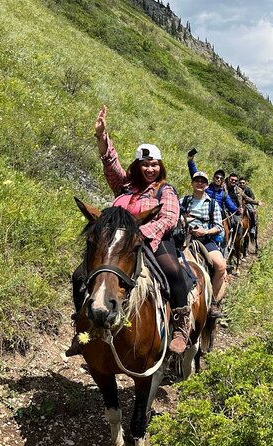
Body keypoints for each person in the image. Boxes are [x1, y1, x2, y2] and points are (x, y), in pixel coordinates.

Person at [67, 105, 193, 356]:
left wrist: (139, 233)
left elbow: (168, 218)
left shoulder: (164, 191)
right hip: (119, 243)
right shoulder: (125, 186)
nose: (149, 169)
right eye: (145, 164)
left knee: (173, 272)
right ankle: (82, 326)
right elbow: (110, 164)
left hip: (152, 241)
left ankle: (181, 326)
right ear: (137, 166)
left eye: (154, 165)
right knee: (80, 275)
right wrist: (102, 137)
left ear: (161, 167)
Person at [180, 171, 228, 317]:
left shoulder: (212, 204)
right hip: (185, 237)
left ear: (207, 185)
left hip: (205, 239)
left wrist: (205, 232)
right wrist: (183, 222)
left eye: (203, 181)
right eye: (197, 181)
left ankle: (213, 302)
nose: (199, 184)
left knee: (220, 266)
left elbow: (219, 226)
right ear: (192, 183)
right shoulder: (183, 201)